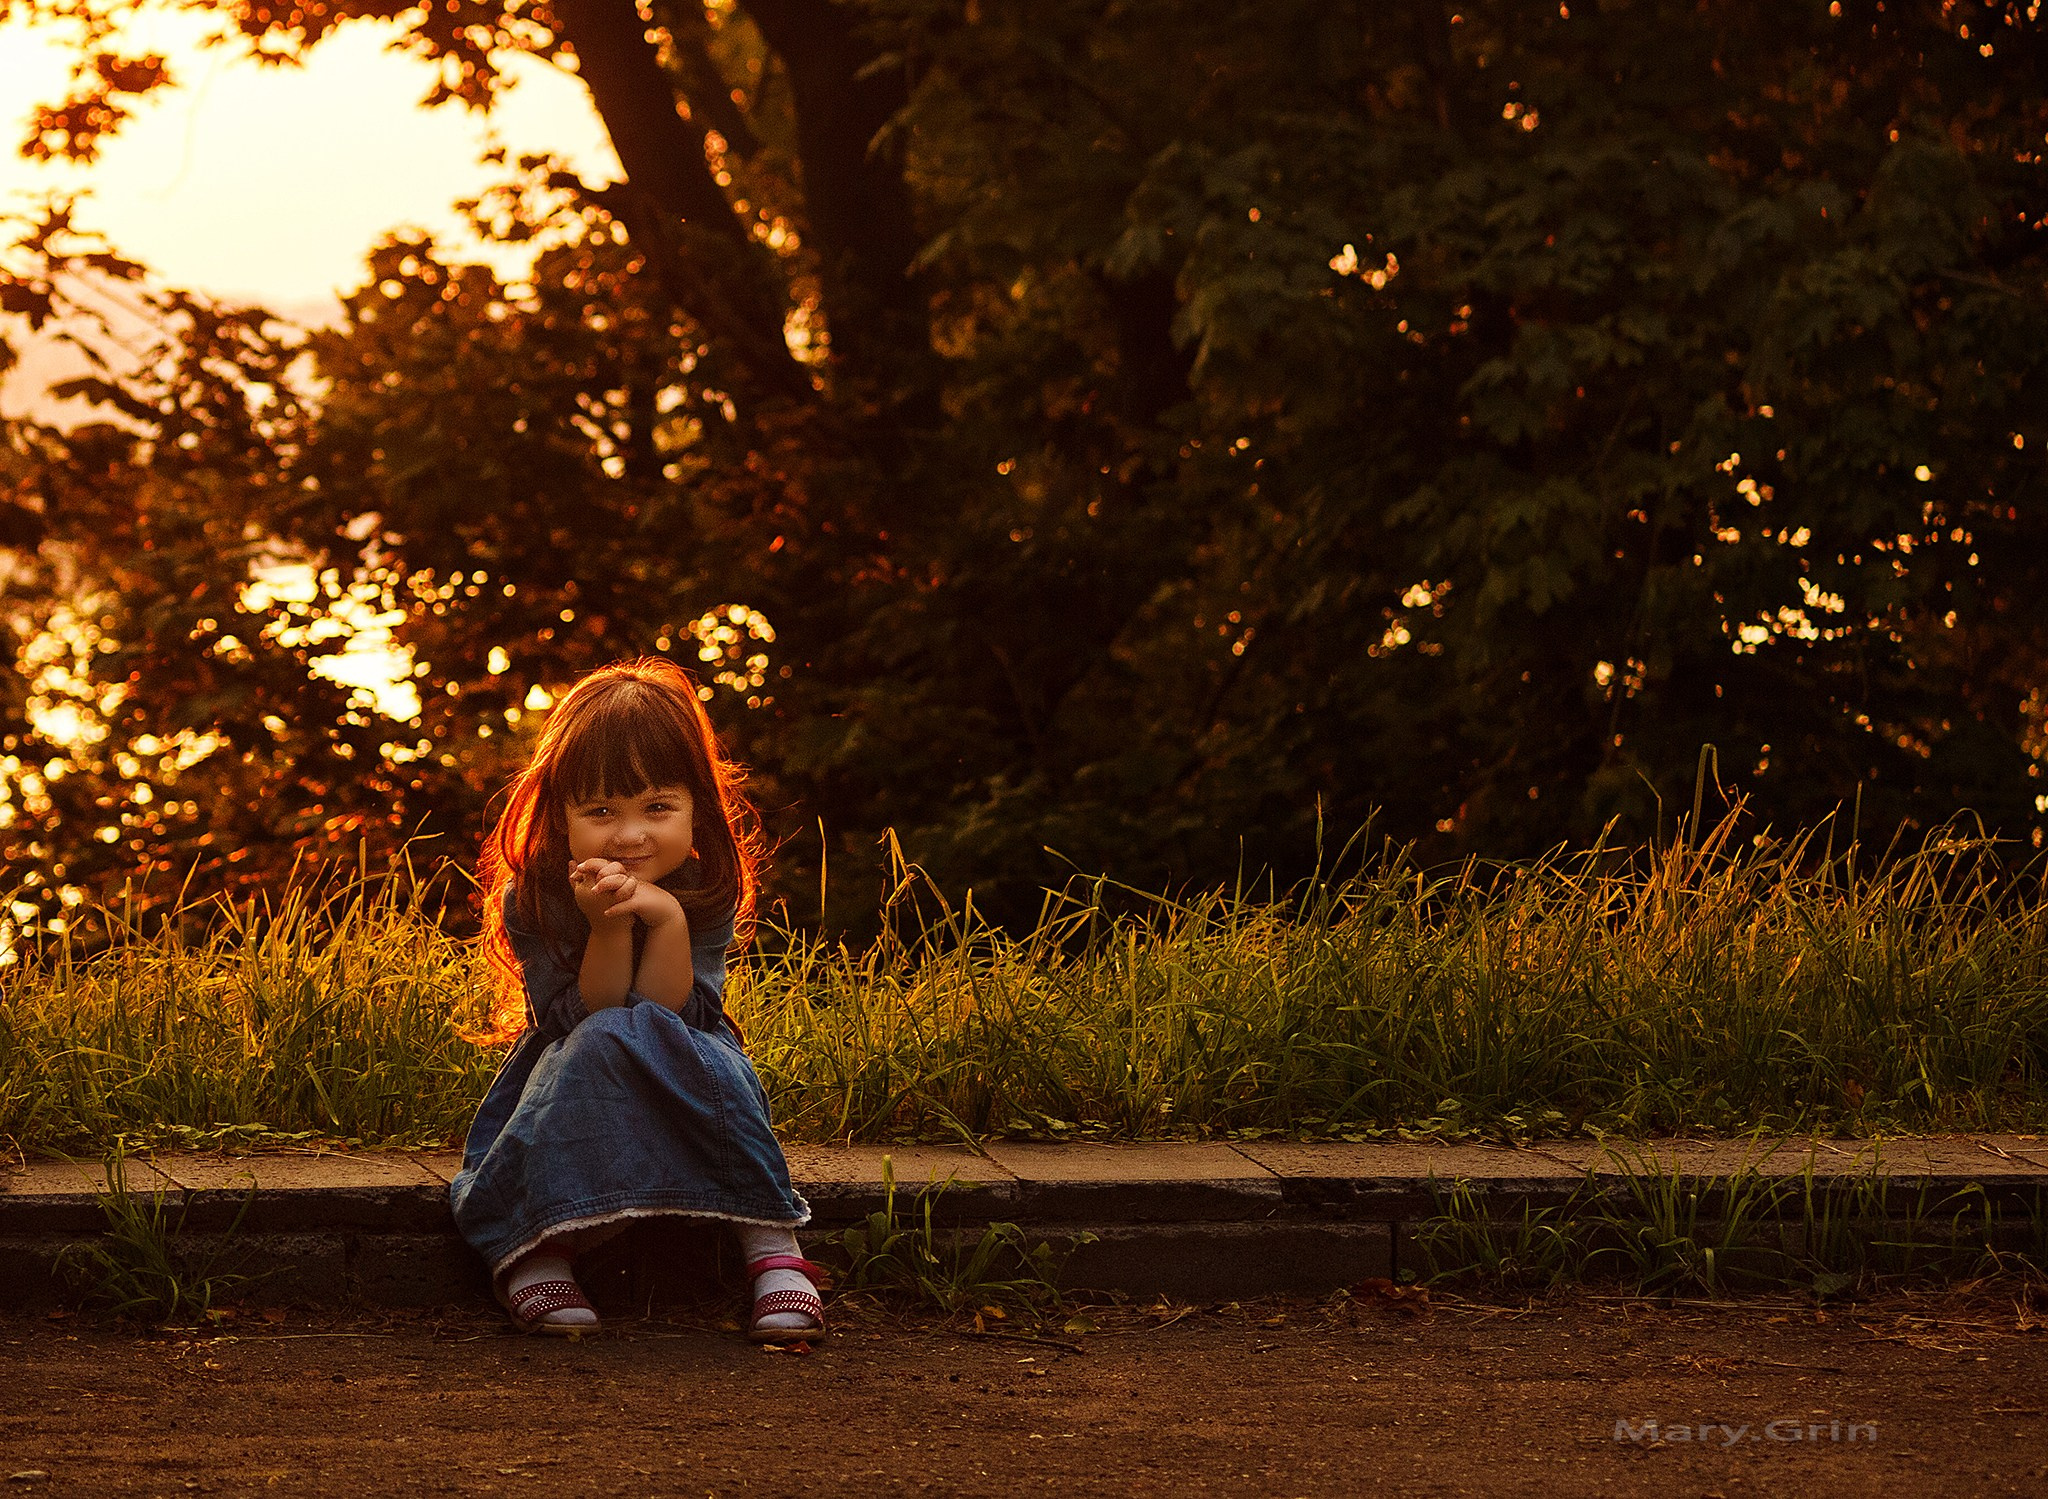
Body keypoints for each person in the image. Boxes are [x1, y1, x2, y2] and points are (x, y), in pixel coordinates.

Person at [450, 657, 823, 1340]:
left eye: (657, 807)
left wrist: (669, 919)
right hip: (576, 1065)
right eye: (601, 811)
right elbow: (597, 1011)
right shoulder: (531, 898)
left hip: (686, 1052)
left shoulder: (707, 890)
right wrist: (608, 924)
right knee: (600, 1040)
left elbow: (667, 1014)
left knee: (720, 1068)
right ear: (560, 817)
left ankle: (773, 1248)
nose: (629, 834)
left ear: (696, 808)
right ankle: (538, 1249)